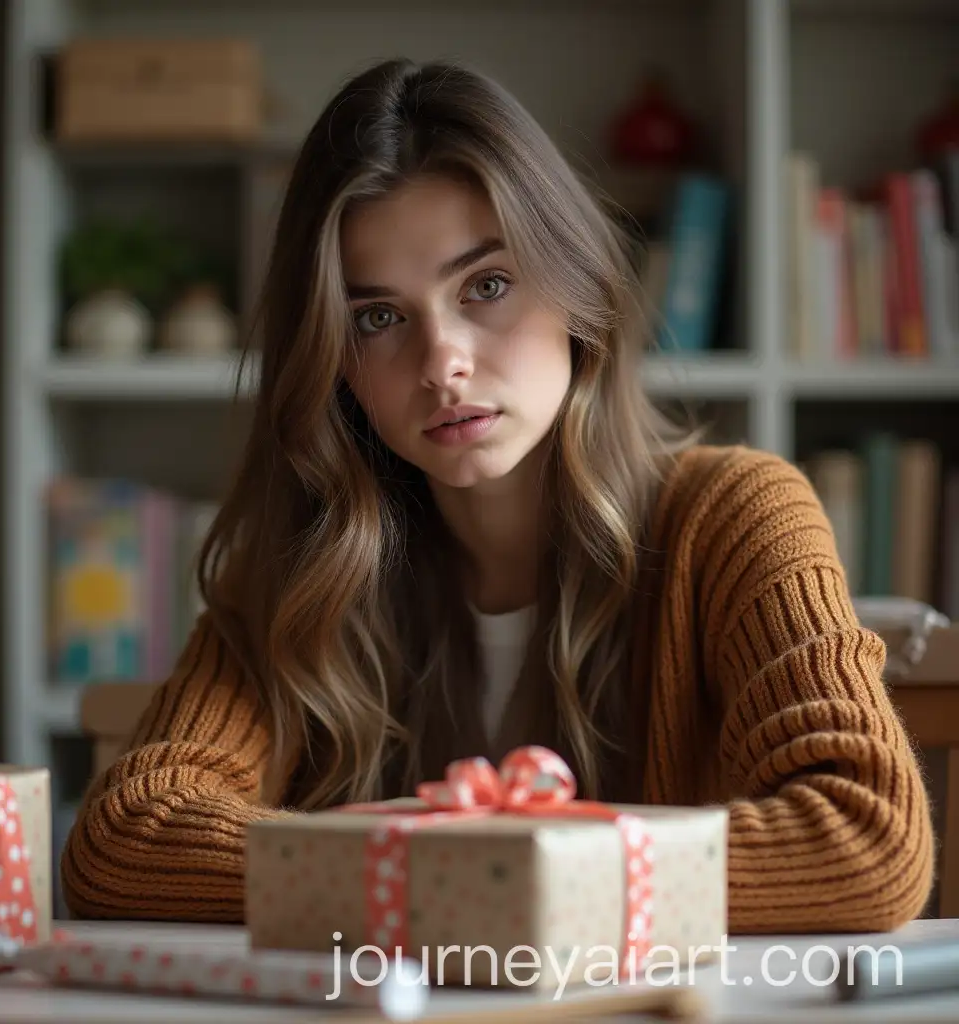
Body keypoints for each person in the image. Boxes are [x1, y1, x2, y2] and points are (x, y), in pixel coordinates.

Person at [60, 58, 934, 933]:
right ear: (332, 364)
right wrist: (477, 875)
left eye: (487, 285)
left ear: (578, 286)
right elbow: (125, 842)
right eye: (378, 317)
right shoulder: (304, 566)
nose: (443, 363)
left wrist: (452, 874)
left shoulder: (738, 517)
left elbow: (866, 843)